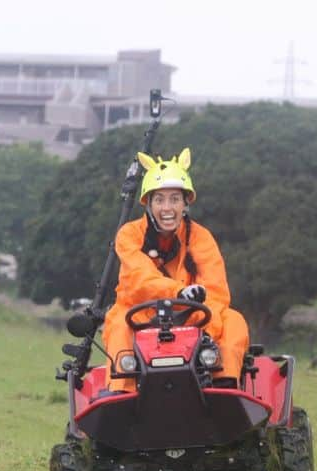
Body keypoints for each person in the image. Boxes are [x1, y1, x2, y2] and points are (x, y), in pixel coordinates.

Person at [102, 147, 250, 392]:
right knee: (118, 323)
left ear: (185, 203)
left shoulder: (201, 237)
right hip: (140, 315)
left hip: (193, 318)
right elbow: (140, 278)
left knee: (234, 321)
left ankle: (224, 386)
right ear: (148, 204)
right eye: (159, 199)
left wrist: (204, 331)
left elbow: (216, 292)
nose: (167, 208)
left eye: (174, 199)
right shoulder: (129, 234)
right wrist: (178, 292)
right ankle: (121, 391)